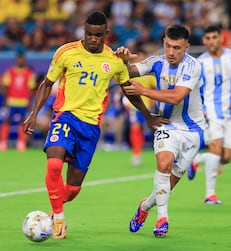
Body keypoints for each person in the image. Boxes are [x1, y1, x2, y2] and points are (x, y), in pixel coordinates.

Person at [22, 10, 167, 240]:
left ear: (106, 33)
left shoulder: (115, 60)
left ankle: (54, 210)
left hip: (90, 127)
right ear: (84, 31)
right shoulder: (65, 52)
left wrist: (148, 115)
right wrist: (33, 113)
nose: (92, 39)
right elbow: (47, 83)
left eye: (98, 35)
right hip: (65, 117)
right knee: (53, 165)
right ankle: (59, 218)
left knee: (73, 187)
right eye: (89, 34)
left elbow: (128, 89)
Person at [116, 24, 205, 237]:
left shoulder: (194, 66)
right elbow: (127, 72)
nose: (171, 52)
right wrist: (122, 59)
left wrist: (143, 90)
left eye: (176, 48)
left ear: (187, 47)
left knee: (168, 185)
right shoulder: (157, 62)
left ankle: (145, 207)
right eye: (167, 46)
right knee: (163, 164)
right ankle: (162, 220)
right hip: (167, 124)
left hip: (193, 130)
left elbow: (176, 97)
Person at [190, 25, 231, 204]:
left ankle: (196, 159)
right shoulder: (200, 63)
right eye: (207, 38)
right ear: (204, 41)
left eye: (214, 37)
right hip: (210, 113)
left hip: (230, 114)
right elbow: (193, 89)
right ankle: (210, 195)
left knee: (226, 157)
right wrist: (200, 108)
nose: (211, 41)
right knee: (215, 150)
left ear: (220, 38)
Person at [0, 53, 36, 152]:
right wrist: (5, 101)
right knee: (7, 121)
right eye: (19, 59)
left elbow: (31, 89)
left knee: (23, 122)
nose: (21, 61)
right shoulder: (10, 72)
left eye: (22, 59)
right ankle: (3, 142)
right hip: (11, 101)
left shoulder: (29, 73)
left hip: (23, 102)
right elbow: (6, 87)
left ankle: (21, 142)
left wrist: (29, 102)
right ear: (16, 60)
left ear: (25, 61)